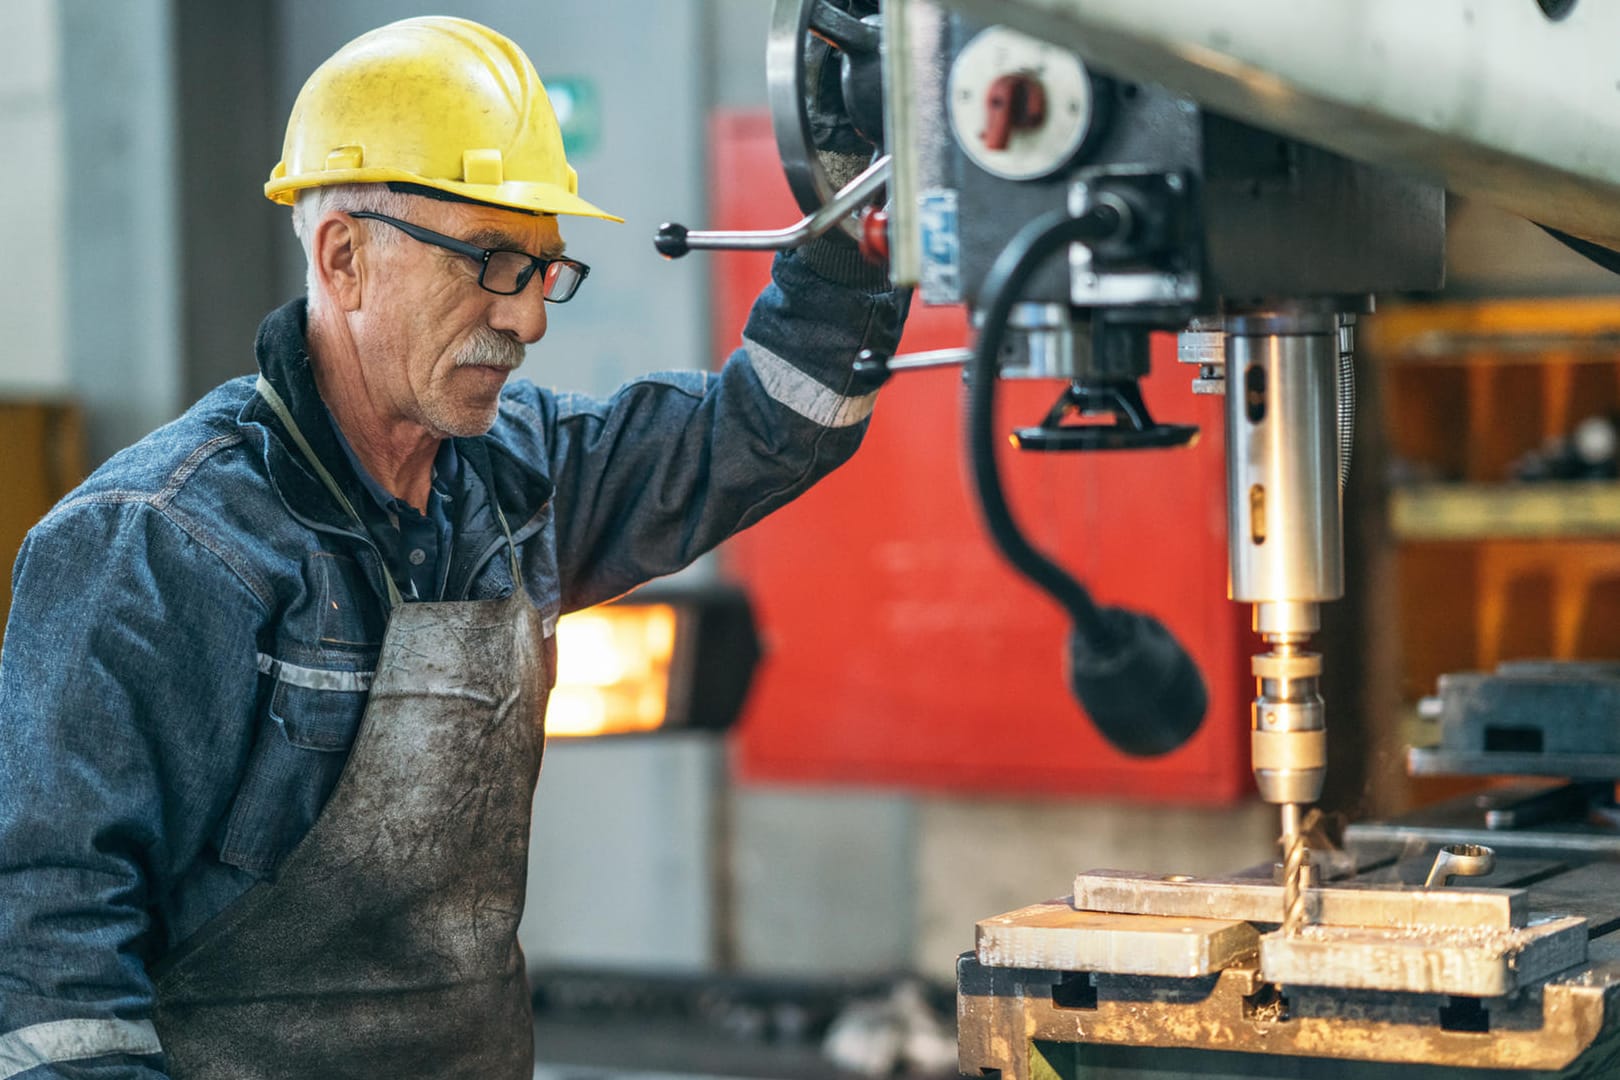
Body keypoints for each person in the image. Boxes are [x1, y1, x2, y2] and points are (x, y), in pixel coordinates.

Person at [0, 16, 906, 1079]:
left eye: (545, 271)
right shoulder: (156, 544)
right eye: (491, 262)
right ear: (344, 259)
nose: (528, 319)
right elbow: (48, 942)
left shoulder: (521, 476)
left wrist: (857, 213)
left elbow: (767, 429)